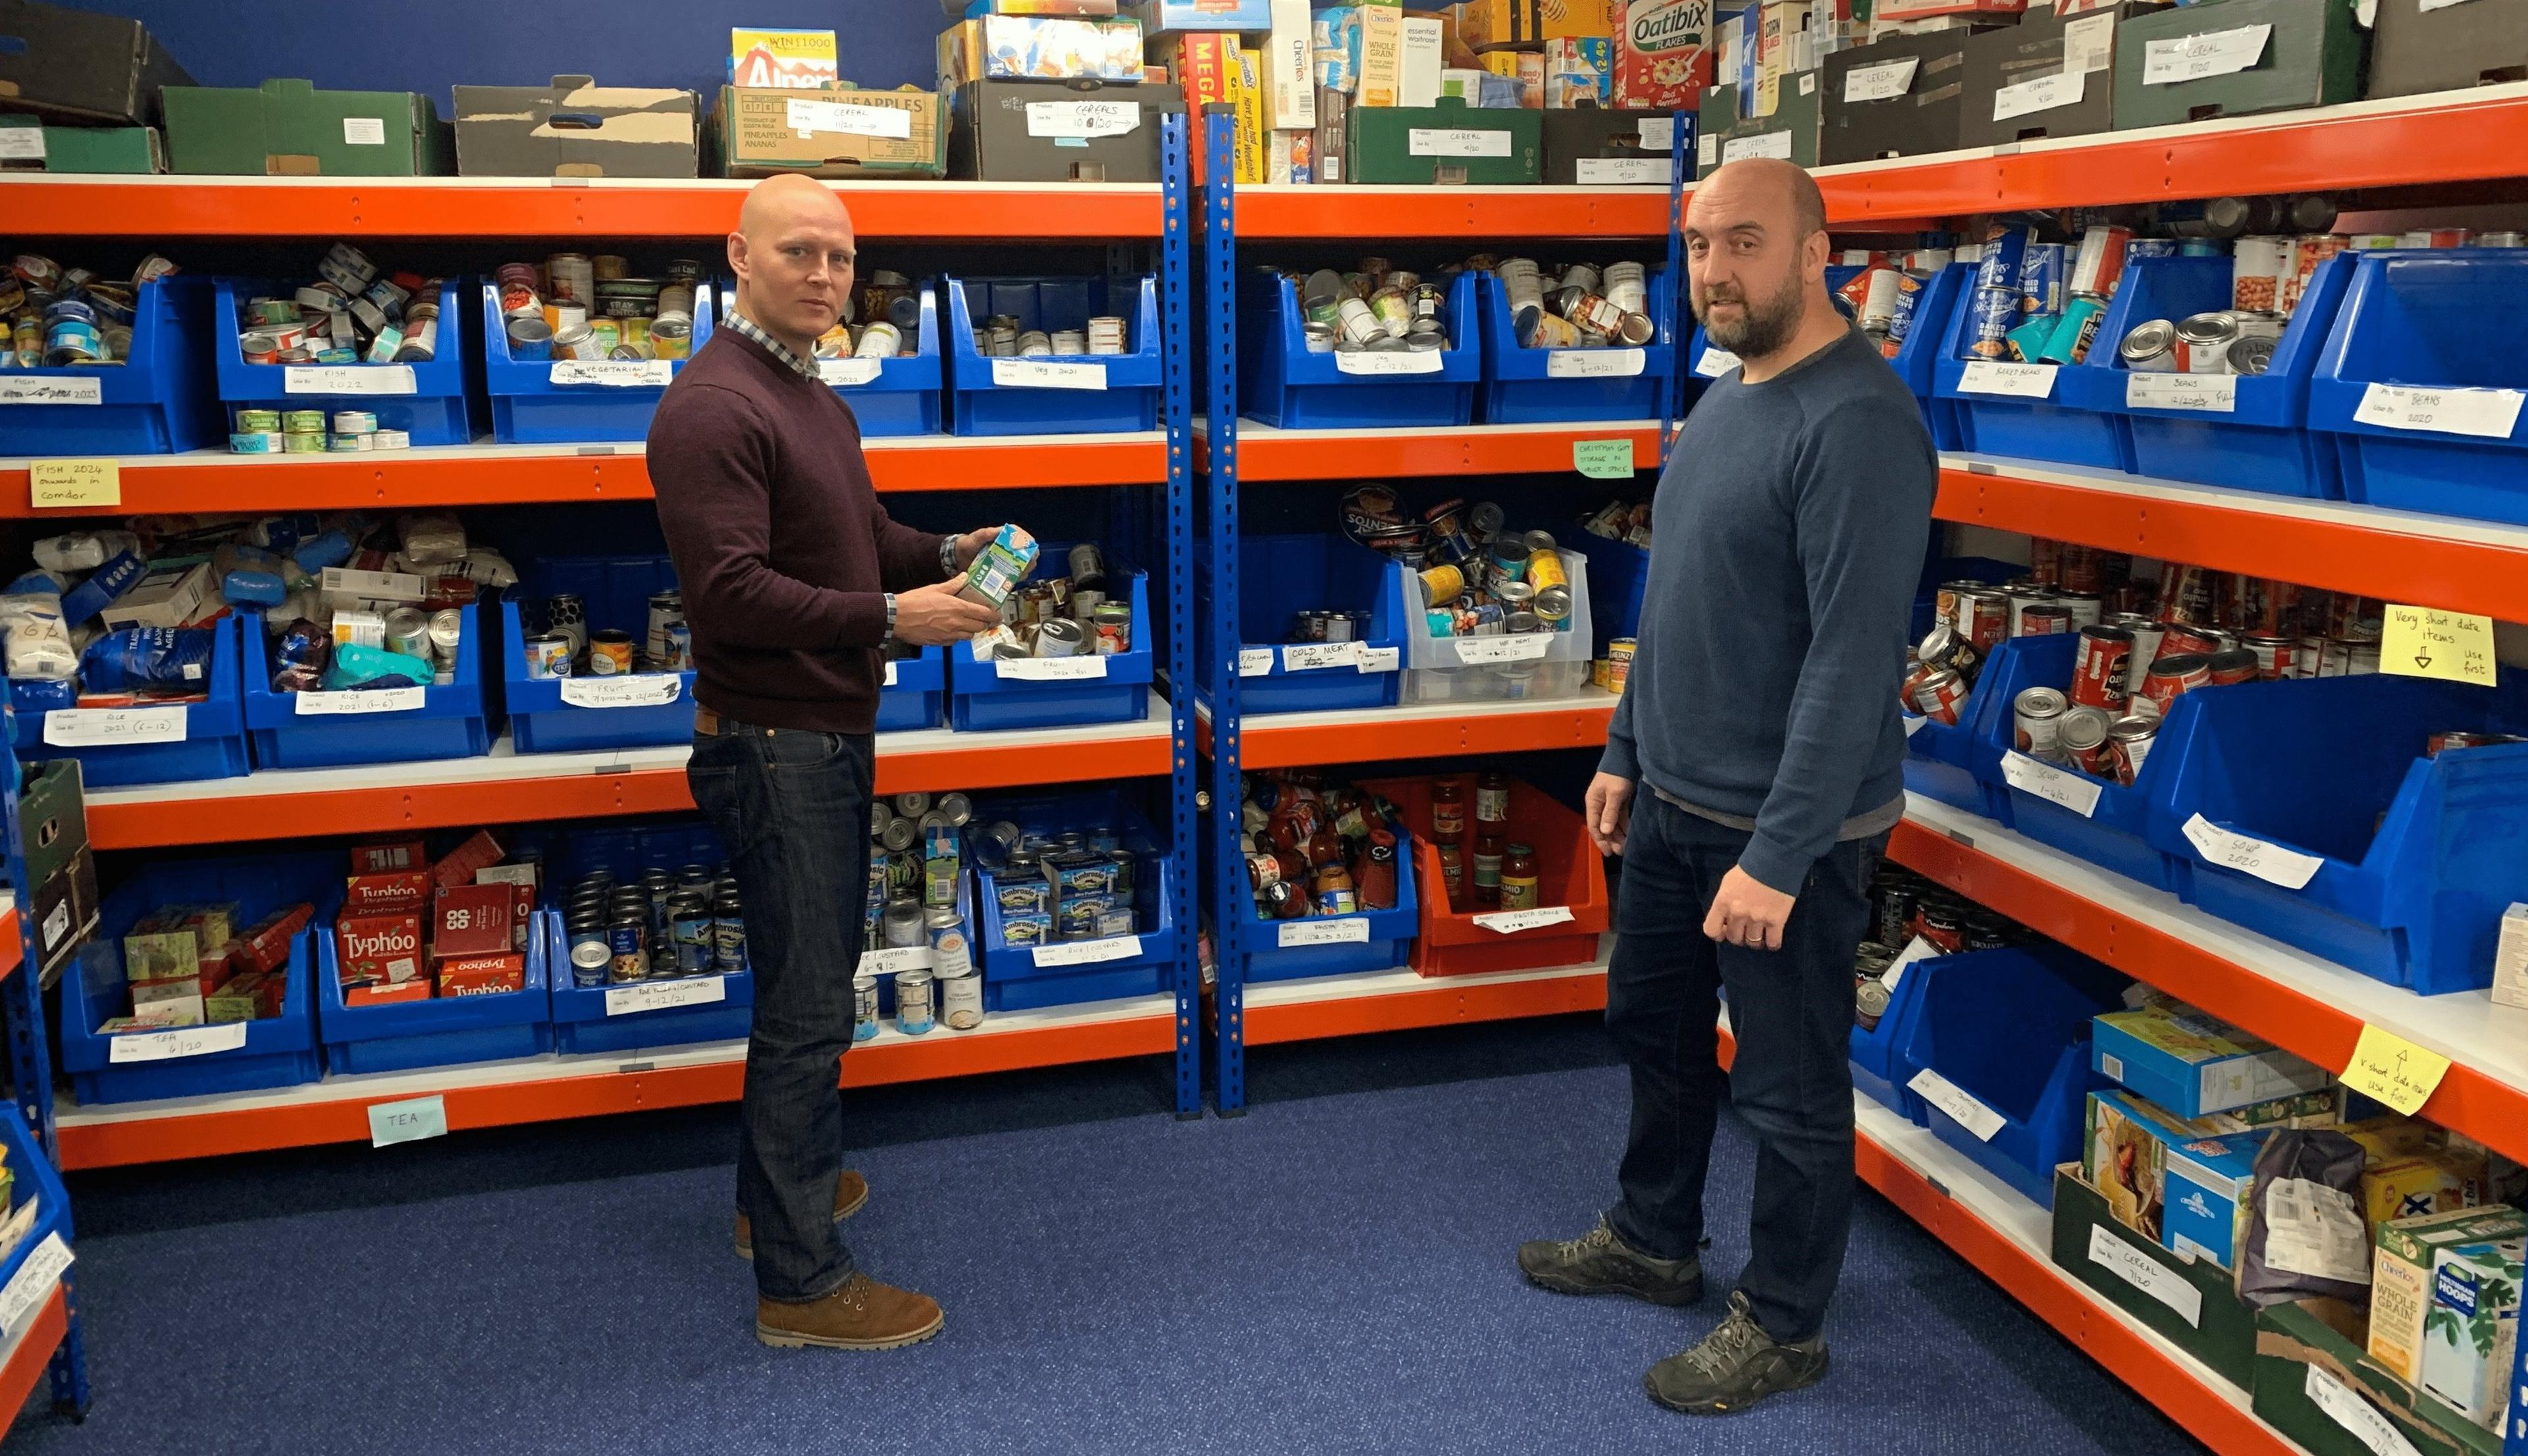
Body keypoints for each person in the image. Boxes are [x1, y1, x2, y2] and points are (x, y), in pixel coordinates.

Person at [1515, 158, 1936, 1415]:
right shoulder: (1727, 396)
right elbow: (1677, 597)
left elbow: (1854, 664)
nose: (1714, 271)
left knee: (1789, 1089)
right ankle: (1655, 1242)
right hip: (1675, 802)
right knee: (1650, 1027)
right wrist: (1625, 749)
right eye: (1700, 245)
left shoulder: (1856, 421)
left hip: (1779, 837)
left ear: (1818, 253)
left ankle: (1786, 1321)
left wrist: (1780, 852)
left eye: (1745, 243)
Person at [649, 174, 1005, 1352]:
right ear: (737, 260)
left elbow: (861, 541)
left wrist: (948, 550)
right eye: (798, 252)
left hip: (818, 733)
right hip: (775, 745)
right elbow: (732, 593)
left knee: (804, 993)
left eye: (843, 257)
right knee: (809, 1013)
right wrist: (896, 620)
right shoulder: (714, 407)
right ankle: (802, 1283)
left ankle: (772, 1202)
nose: (824, 275)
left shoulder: (809, 392)